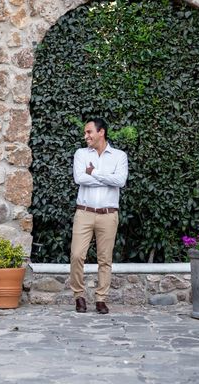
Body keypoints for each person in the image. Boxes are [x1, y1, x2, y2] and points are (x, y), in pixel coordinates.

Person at [70, 118, 128, 314]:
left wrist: (94, 172)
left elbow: (120, 181)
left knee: (105, 259)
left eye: (89, 132)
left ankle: (101, 299)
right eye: (85, 133)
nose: (85, 136)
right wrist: (105, 177)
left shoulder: (119, 156)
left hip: (108, 214)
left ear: (101, 132)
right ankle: (79, 295)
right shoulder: (80, 154)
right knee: (77, 255)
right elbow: (80, 178)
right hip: (84, 212)